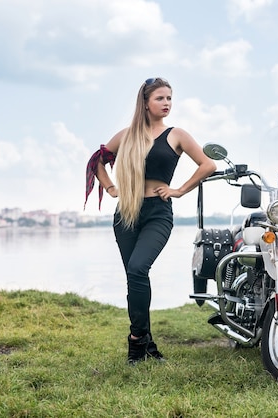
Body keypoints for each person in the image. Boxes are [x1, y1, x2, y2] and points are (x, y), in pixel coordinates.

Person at [85, 77, 217, 365]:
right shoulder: (127, 136)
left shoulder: (176, 135)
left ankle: (136, 341)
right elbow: (97, 160)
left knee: (137, 267)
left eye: (169, 98)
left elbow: (208, 164)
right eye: (160, 98)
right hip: (127, 212)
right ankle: (145, 342)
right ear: (145, 103)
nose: (167, 103)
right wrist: (110, 188)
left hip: (158, 212)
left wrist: (179, 190)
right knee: (135, 278)